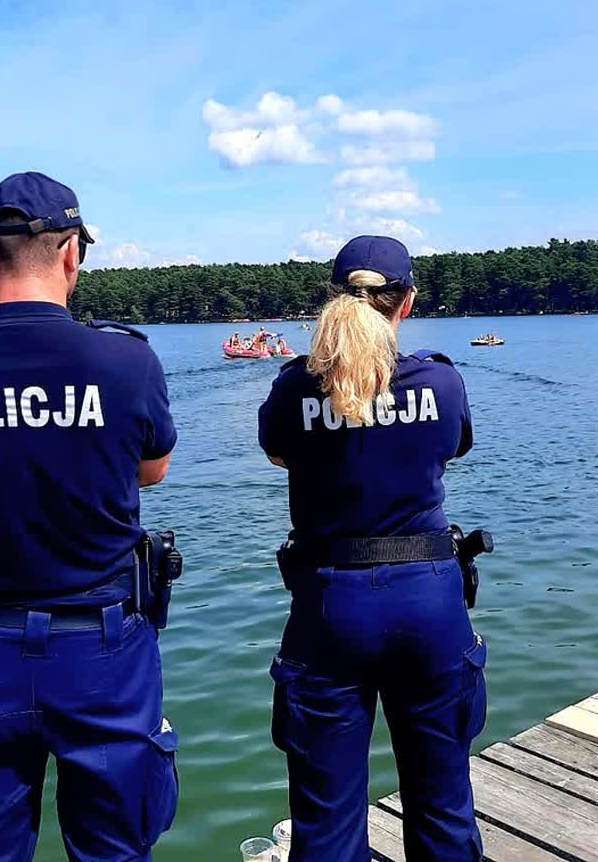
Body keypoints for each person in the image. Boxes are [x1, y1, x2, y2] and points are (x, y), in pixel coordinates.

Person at [0, 172, 180, 862]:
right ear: (72, 252)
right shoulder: (126, 360)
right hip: (103, 646)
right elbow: (152, 471)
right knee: (115, 849)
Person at [257, 235, 486, 861]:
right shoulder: (440, 381)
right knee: (442, 804)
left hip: (330, 604)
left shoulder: (293, 390)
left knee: (326, 821)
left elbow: (279, 455)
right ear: (407, 302)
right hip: (429, 600)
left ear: (333, 300)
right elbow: (455, 447)